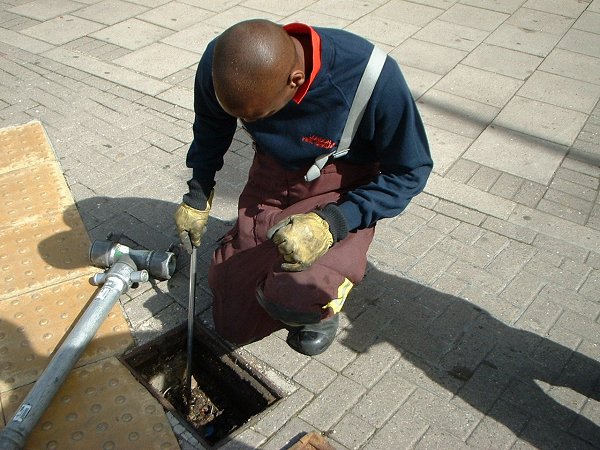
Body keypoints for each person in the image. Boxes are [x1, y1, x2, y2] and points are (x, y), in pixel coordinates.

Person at [174, 19, 432, 356]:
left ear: (296, 82)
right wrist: (198, 190)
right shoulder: (223, 62)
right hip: (272, 171)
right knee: (233, 324)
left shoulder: (371, 78)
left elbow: (411, 171)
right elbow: (211, 127)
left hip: (341, 183)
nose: (248, 125)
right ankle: (251, 249)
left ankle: (325, 300)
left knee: (294, 296)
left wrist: (334, 222)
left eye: (258, 115)